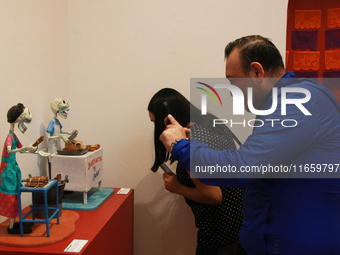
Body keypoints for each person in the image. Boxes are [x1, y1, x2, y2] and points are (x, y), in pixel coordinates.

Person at [159, 35, 340, 254]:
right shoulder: (283, 101)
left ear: (256, 72)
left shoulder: (299, 102)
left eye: (233, 81)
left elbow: (242, 167)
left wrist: (180, 146)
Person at [148, 88, 244, 255]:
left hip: (220, 236)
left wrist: (178, 188)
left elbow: (214, 196)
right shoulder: (209, 125)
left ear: (167, 119)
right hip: (237, 229)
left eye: (154, 122)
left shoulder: (192, 139)